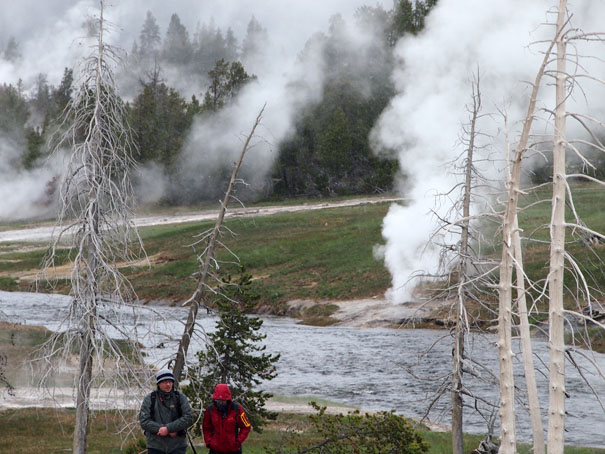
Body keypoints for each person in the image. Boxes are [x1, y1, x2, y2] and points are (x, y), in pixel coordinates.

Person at [140, 369, 194, 454]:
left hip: (177, 446)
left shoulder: (180, 397)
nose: (168, 384)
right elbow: (144, 421)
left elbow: (188, 417)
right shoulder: (150, 398)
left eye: (170, 381)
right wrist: (163, 429)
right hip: (155, 446)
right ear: (158, 383)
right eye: (165, 382)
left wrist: (168, 428)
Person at [202, 383, 251, 454]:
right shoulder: (210, 409)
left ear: (227, 400)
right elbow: (206, 427)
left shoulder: (237, 409)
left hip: (233, 450)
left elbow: (246, 427)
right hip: (215, 450)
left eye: (223, 401)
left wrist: (238, 441)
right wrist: (209, 442)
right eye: (218, 401)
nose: (220, 403)